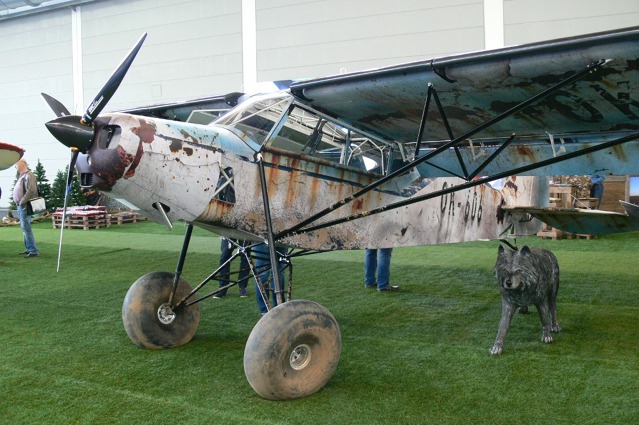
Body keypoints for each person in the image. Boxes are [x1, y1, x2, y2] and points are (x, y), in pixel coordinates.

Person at [12, 159, 40, 258]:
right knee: (24, 228)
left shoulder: (29, 175)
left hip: (24, 205)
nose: (15, 166)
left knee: (26, 227)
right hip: (21, 205)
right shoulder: (24, 176)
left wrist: (22, 201)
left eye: (16, 164)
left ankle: (33, 250)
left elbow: (31, 190)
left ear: (21, 164)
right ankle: (29, 248)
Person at [253, 243, 288, 315]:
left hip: (281, 236)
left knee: (279, 271)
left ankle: (279, 307)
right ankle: (264, 310)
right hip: (262, 236)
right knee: (263, 272)